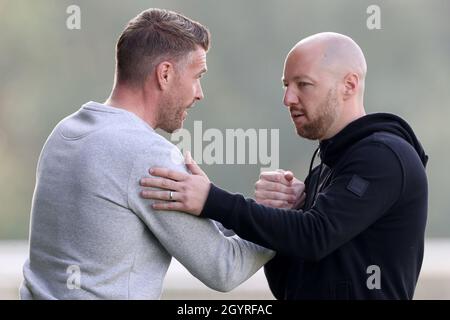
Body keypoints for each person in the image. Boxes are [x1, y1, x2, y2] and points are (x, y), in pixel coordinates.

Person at [139, 32, 429, 299]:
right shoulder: (325, 169)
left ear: (349, 85)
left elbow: (315, 235)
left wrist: (211, 199)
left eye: (303, 84)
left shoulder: (384, 157)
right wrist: (283, 211)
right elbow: (290, 282)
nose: (288, 98)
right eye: (286, 85)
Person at [20, 8, 274, 300]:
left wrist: (223, 207)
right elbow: (225, 268)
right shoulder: (147, 155)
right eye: (196, 76)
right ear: (165, 74)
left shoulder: (64, 133)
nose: (199, 93)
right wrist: (284, 218)